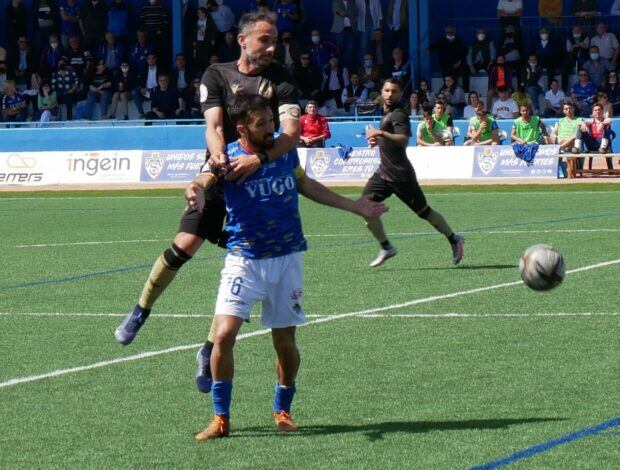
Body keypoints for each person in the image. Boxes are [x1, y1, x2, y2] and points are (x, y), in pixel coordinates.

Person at [115, 12, 303, 402]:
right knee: (184, 243)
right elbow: (214, 127)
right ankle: (141, 309)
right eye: (264, 40)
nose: (271, 48)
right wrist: (218, 160)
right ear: (242, 39)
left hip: (260, 184)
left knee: (242, 267)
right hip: (220, 174)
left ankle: (206, 350)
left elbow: (291, 134)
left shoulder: (282, 79)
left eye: (275, 42)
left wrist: (259, 161)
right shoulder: (216, 75)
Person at [190, 93, 387, 442]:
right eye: (262, 123)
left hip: (287, 258)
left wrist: (355, 207)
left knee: (284, 342)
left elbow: (304, 184)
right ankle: (221, 418)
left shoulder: (283, 150)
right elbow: (205, 178)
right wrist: (197, 188)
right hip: (244, 260)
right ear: (242, 129)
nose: (272, 128)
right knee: (222, 335)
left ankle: (283, 409)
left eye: (272, 120)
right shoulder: (228, 159)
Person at [362, 78, 465, 267]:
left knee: (424, 212)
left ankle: (454, 238)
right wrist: (380, 141)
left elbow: (403, 139)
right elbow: (391, 139)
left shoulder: (399, 114)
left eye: (394, 91)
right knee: (364, 205)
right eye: (386, 90)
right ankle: (386, 247)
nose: (390, 94)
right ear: (381, 92)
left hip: (400, 175)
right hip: (384, 173)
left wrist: (381, 134)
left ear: (400, 94)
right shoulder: (387, 113)